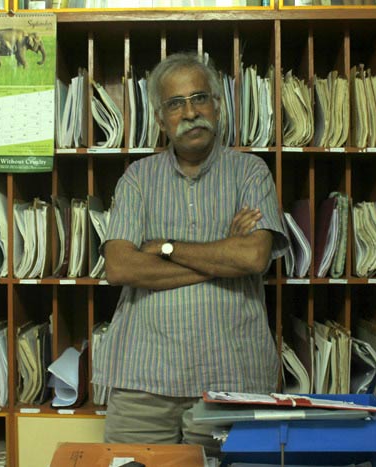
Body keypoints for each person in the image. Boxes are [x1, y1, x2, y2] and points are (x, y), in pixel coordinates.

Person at [92, 52, 289, 456]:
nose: (190, 112)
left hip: (232, 375)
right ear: (162, 119)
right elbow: (119, 266)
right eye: (175, 103)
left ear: (217, 106)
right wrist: (221, 260)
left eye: (200, 98)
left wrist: (165, 249)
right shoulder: (137, 179)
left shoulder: (251, 172)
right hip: (143, 380)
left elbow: (252, 258)